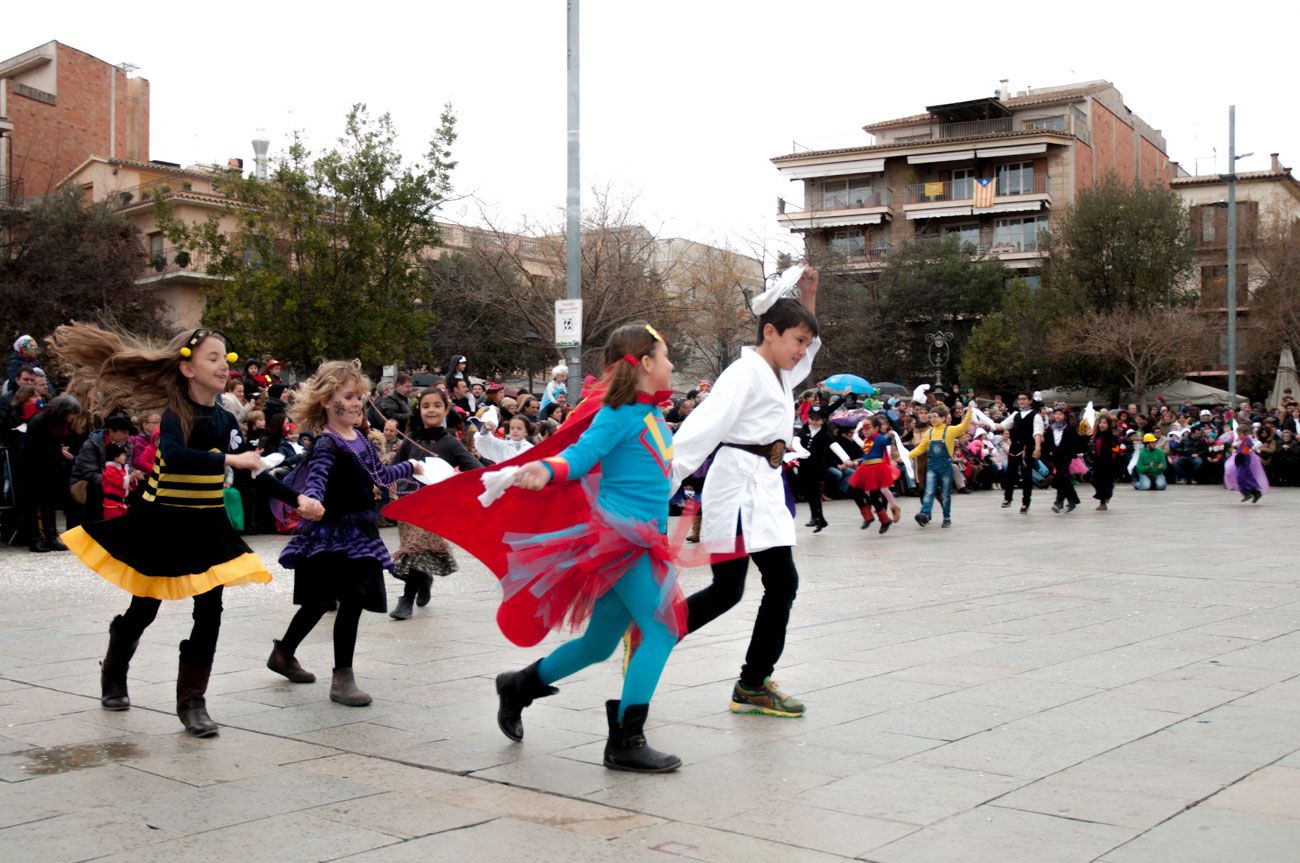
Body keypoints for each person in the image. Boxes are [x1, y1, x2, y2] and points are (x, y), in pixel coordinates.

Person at [51, 324, 322, 737]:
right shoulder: (177, 415)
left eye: (224, 357)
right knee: (145, 607)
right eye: (212, 358)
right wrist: (232, 462)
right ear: (188, 369)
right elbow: (176, 456)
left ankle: (193, 701)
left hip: (207, 523)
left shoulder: (225, 418)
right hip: (163, 522)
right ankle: (114, 670)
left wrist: (295, 498)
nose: (223, 364)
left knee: (210, 610)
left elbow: (255, 470)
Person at [485, 323, 685, 772]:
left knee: (598, 645)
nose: (672, 365)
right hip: (624, 541)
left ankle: (517, 687)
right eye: (666, 356)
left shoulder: (651, 413)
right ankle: (626, 741)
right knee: (663, 629)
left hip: (643, 540)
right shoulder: (617, 414)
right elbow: (579, 454)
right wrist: (547, 470)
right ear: (647, 364)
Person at [669, 265, 821, 718]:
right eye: (797, 341)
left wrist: (809, 300)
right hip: (736, 489)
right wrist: (662, 482)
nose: (802, 352)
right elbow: (701, 429)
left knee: (780, 583)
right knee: (728, 590)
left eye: (805, 343)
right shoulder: (744, 373)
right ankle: (654, 634)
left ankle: (753, 682)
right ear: (770, 332)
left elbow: (806, 355)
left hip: (765, 488)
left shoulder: (776, 371)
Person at [269, 361, 420, 705]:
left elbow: (379, 476)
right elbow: (318, 478)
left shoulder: (362, 439)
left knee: (332, 599)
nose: (356, 403)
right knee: (336, 599)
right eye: (348, 396)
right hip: (331, 533)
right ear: (326, 401)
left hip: (361, 531)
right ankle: (341, 678)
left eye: (359, 397)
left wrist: (412, 465)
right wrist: (313, 501)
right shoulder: (326, 442)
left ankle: (285, 654)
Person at [388, 387, 482, 620]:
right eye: (426, 406)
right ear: (418, 410)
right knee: (414, 552)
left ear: (446, 409)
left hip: (434, 508)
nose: (431, 410)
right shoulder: (410, 441)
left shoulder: (450, 443)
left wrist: (452, 480)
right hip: (408, 505)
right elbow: (391, 470)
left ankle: (406, 600)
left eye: (437, 405)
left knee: (416, 549)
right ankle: (424, 578)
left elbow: (476, 470)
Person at [908, 402, 974, 528]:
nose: (932, 419)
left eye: (935, 416)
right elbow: (921, 448)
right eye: (931, 416)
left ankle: (946, 517)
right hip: (932, 466)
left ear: (943, 418)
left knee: (945, 493)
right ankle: (924, 514)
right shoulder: (929, 433)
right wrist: (908, 455)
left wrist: (969, 413)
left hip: (945, 466)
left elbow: (963, 426)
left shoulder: (950, 430)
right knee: (929, 490)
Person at [848, 416, 903, 533]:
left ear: (876, 428)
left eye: (868, 427)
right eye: (863, 428)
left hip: (876, 470)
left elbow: (887, 441)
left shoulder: (879, 438)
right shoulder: (867, 440)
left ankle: (883, 520)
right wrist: (856, 462)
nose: (865, 430)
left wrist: (890, 435)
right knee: (854, 491)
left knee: (873, 497)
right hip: (865, 469)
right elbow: (866, 457)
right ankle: (869, 516)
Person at [999, 392, 1044, 513]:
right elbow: (1002, 426)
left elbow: (1037, 433)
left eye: (1024, 399)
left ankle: (1026, 503)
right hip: (1014, 447)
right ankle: (1008, 498)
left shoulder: (1035, 416)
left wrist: (1038, 447)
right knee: (1010, 473)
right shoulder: (1015, 414)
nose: (1021, 401)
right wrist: (983, 420)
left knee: (1026, 475)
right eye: (1019, 399)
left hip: (1027, 448)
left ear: (1030, 401)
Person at [1043, 407, 1083, 514]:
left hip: (1066, 457)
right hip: (1056, 457)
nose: (1058, 416)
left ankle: (1059, 501)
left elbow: (1075, 442)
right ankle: (1072, 499)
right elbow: (1048, 443)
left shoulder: (1069, 428)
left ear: (1064, 416)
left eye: (1060, 414)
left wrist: (1072, 452)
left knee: (1062, 476)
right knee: (1063, 479)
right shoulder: (1050, 429)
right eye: (1056, 414)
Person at [798, 404, 831, 531]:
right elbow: (796, 441)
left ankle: (816, 517)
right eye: (812, 418)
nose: (814, 421)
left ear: (822, 421)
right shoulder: (804, 430)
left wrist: (846, 459)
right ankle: (820, 519)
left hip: (816, 466)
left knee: (814, 492)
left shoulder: (825, 434)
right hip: (803, 465)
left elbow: (834, 446)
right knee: (807, 491)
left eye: (817, 419)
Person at [1223, 421, 1268, 503]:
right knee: (1246, 474)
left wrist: (1252, 449)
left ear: (1246, 433)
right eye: (1238, 434)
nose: (1239, 436)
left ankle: (1246, 492)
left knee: (1240, 475)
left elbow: (1256, 444)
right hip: (1239, 458)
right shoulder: (1240, 439)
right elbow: (1237, 446)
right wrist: (1235, 448)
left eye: (1240, 434)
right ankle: (1255, 492)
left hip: (1244, 458)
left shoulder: (1247, 439)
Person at [1090, 415, 1121, 511]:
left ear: (1108, 425)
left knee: (1105, 482)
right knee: (1095, 481)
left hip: (1108, 463)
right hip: (1098, 462)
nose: (1101, 425)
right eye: (1100, 422)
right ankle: (1106, 493)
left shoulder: (1112, 437)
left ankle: (1103, 502)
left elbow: (1117, 450)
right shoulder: (1097, 436)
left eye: (1104, 423)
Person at [101, 442, 132, 520]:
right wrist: (132, 476)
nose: (125, 457)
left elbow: (130, 485)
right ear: (115, 457)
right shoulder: (109, 469)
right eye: (123, 455)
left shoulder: (121, 468)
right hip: (112, 503)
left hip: (121, 502)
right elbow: (121, 482)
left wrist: (133, 478)